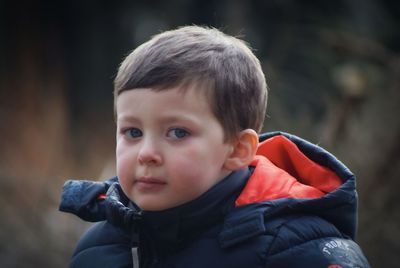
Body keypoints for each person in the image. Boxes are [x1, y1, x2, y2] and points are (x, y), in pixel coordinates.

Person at [59, 25, 370, 268]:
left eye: (177, 133)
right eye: (133, 132)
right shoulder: (97, 249)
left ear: (237, 149)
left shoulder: (296, 251)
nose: (146, 153)